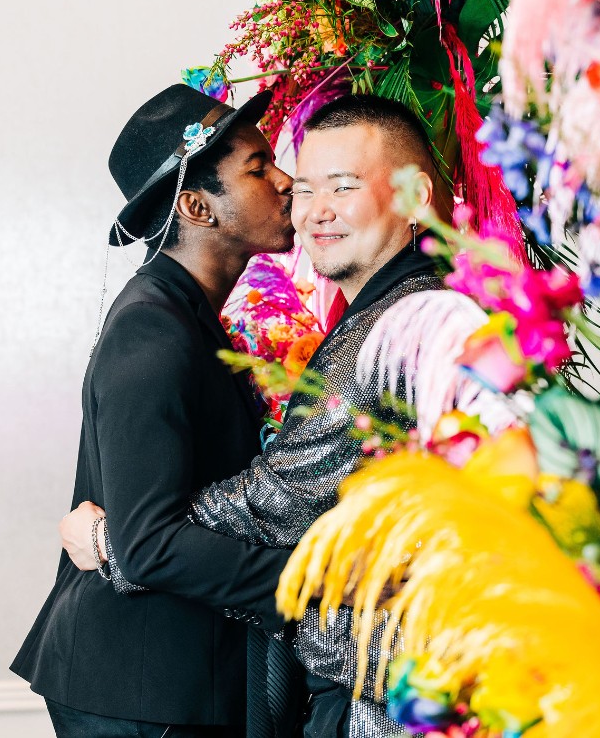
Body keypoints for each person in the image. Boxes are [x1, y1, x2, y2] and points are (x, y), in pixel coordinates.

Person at [65, 94, 516, 737]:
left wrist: (115, 543)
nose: (307, 205)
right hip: (164, 685)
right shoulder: (161, 326)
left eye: (343, 186)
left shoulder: (401, 330)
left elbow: (273, 500)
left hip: (398, 693)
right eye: (300, 184)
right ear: (195, 208)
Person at [12, 84, 299, 738]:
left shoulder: (185, 318)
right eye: (259, 169)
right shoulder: (155, 333)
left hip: (163, 683)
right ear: (197, 206)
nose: (287, 181)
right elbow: (146, 547)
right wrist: (312, 586)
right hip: (141, 693)